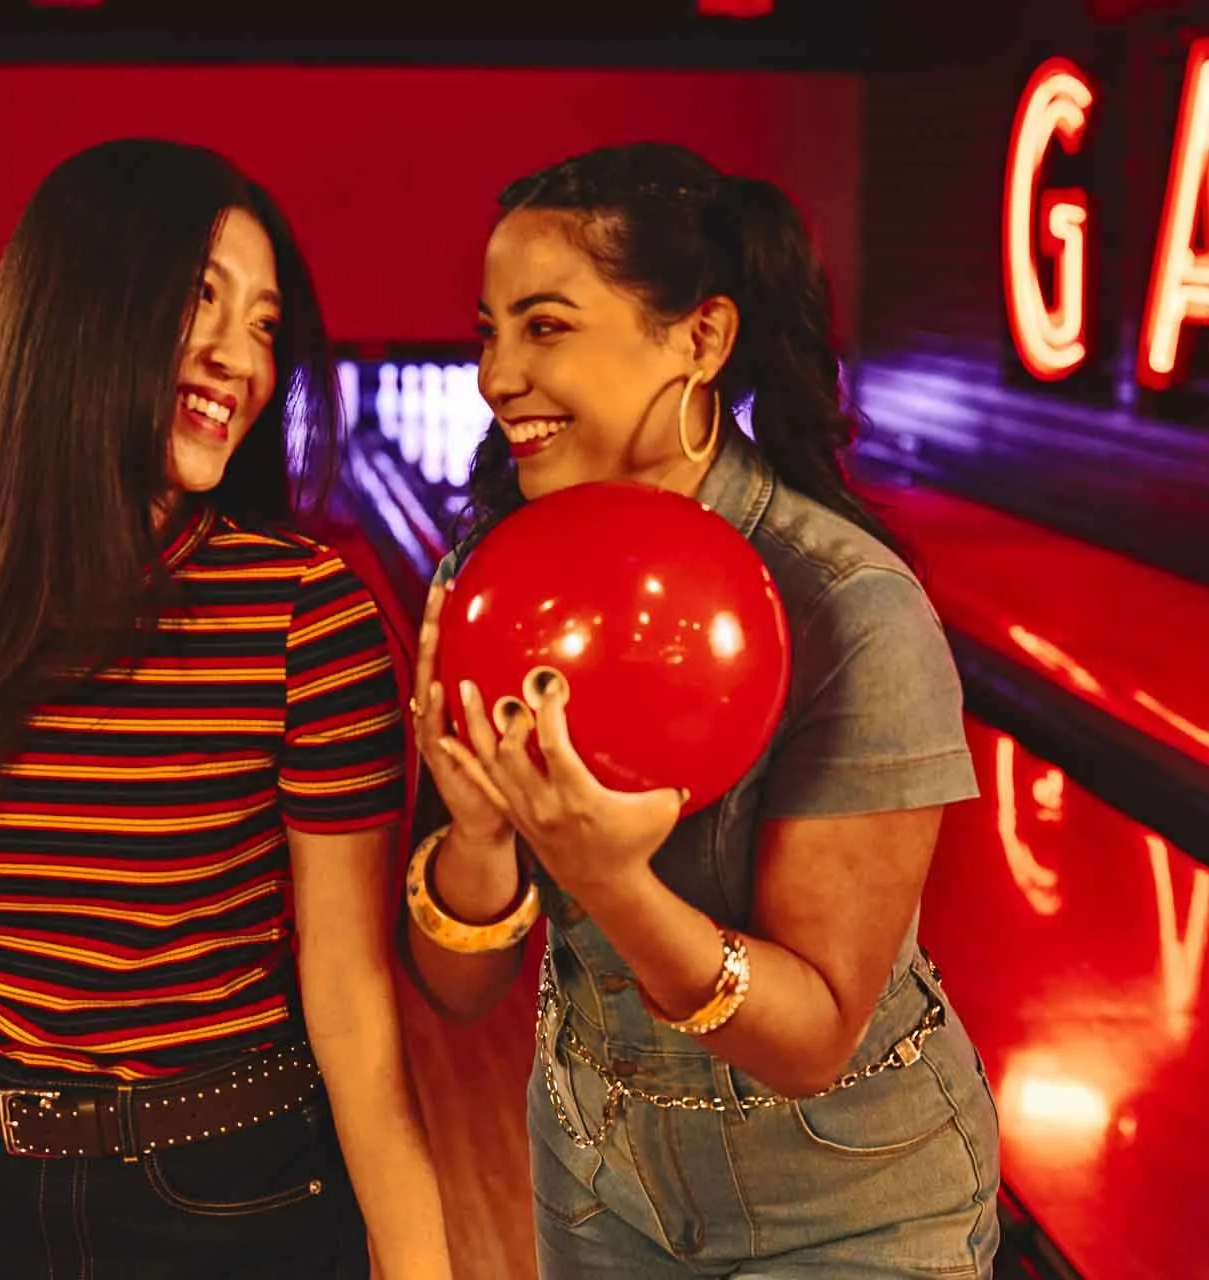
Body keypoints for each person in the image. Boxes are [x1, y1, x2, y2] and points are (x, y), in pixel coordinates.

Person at [0, 138, 451, 1280]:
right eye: (202, 300)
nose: (245, 360)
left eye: (268, 325)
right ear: (81, 307)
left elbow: (350, 992)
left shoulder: (303, 616)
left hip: (228, 1190)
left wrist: (423, 1264)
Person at [401, 142, 1001, 1278]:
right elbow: (463, 988)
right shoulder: (484, 590)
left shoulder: (852, 606)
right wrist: (477, 841)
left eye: (545, 326)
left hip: (850, 1204)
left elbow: (814, 1036)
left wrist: (614, 881)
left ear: (701, 338)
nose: (494, 375)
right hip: (596, 1176)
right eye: (489, 331)